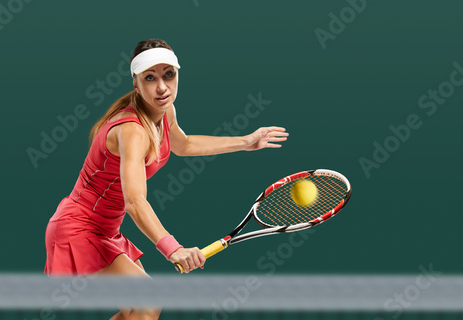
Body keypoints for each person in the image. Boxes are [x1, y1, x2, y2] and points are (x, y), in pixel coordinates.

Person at [44, 38, 289, 319]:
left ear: (177, 75)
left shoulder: (164, 112)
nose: (162, 87)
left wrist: (246, 141)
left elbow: (183, 145)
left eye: (168, 75)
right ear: (136, 84)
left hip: (105, 230)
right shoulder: (132, 132)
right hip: (78, 229)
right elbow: (135, 202)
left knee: (135, 309)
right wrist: (173, 250)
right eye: (150, 78)